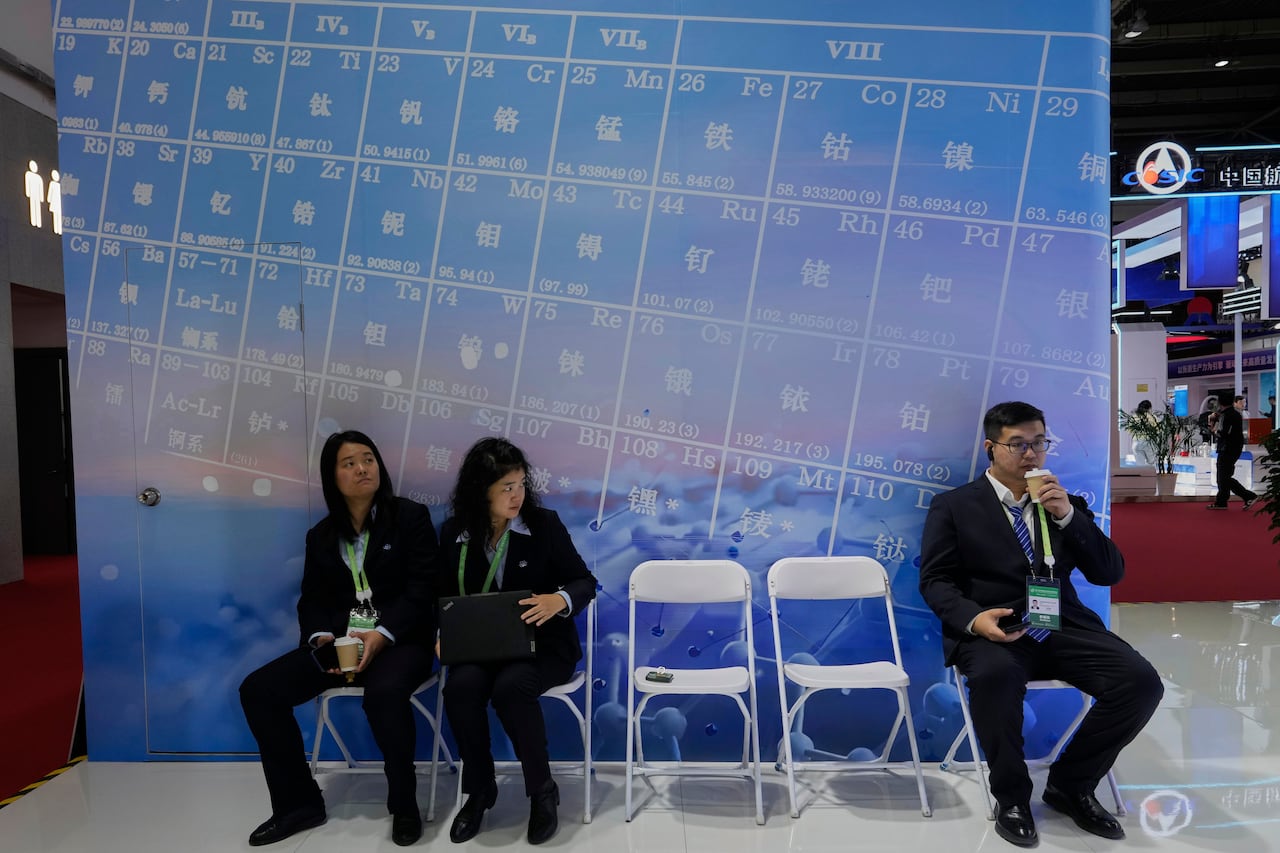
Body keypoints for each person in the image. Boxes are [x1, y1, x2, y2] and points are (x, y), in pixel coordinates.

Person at [919, 401, 1162, 848]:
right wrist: (973, 619)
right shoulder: (954, 506)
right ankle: (1012, 797)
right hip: (997, 627)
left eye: (1039, 443)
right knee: (995, 677)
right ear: (992, 448)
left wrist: (1068, 516)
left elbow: (1109, 573)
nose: (1031, 454)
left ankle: (1071, 784)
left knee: (1140, 681)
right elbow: (935, 580)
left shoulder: (1065, 502)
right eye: (1018, 445)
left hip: (1062, 624)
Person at [239, 430, 437, 847]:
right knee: (259, 691)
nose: (362, 468)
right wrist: (320, 636)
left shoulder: (410, 518)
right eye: (349, 463)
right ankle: (298, 805)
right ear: (333, 477)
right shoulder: (322, 536)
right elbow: (311, 599)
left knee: (383, 694)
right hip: (341, 648)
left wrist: (381, 635)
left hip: (401, 642)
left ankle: (404, 805)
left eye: (368, 458)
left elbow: (423, 591)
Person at [436, 437, 597, 845]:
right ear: (480, 490)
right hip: (481, 648)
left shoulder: (544, 525)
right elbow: (439, 596)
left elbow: (585, 582)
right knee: (460, 687)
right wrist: (441, 634)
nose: (517, 495)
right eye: (506, 487)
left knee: (512, 688)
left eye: (521, 484)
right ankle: (480, 789)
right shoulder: (455, 532)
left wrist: (557, 599)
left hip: (543, 647)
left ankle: (542, 791)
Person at [1207, 394, 1258, 510]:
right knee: (1224, 476)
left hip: (1227, 448)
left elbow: (1222, 433)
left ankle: (1248, 496)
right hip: (1234, 448)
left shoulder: (1226, 415)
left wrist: (1212, 429)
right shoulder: (1235, 414)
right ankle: (1221, 502)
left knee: (1223, 477)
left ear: (1220, 403)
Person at [1132, 399, 1158, 466]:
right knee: (1152, 463)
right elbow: (1157, 429)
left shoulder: (1134, 417)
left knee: (1140, 465)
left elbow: (1130, 430)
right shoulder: (1151, 417)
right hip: (1148, 442)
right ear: (1149, 408)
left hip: (1136, 443)